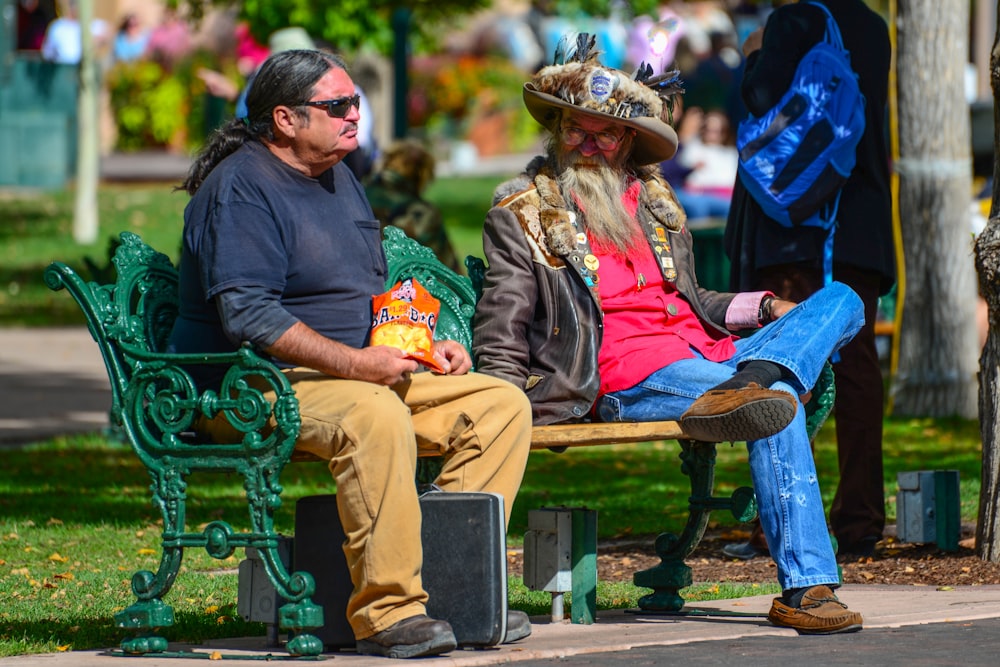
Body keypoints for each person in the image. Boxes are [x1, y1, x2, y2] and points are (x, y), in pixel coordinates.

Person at [472, 33, 866, 635]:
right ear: (557, 129)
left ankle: (759, 375)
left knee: (842, 299)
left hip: (712, 354)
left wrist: (764, 310)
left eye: (605, 133)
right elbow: (503, 320)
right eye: (576, 129)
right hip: (626, 371)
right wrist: (498, 402)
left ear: (628, 139)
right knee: (778, 405)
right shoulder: (522, 212)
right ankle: (807, 589)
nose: (589, 145)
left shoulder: (654, 204)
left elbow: (694, 301)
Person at [168, 49, 533, 659]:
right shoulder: (241, 190)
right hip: (248, 385)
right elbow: (249, 317)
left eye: (355, 103)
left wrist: (418, 342)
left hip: (346, 373)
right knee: (374, 415)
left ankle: (454, 591)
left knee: (500, 405)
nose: (353, 116)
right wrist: (358, 365)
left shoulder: (338, 178)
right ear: (285, 119)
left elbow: (366, 296)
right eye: (336, 106)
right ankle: (387, 613)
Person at [723, 0, 894, 560]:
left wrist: (751, 57)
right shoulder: (871, 26)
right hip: (858, 221)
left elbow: (757, 101)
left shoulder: (793, 21)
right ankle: (860, 517)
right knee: (858, 367)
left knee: (787, 366)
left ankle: (780, 523)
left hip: (800, 226)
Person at [364, 139, 460, 272]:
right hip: (402, 286)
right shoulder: (423, 212)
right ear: (423, 174)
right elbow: (448, 272)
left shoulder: (358, 194)